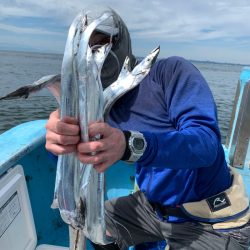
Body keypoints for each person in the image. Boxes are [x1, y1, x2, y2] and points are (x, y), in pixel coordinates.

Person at [45, 7, 250, 250]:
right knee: (96, 225)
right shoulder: (94, 103)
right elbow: (75, 163)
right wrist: (60, 139)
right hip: (150, 207)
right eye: (84, 50)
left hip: (208, 217)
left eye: (101, 45)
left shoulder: (170, 73)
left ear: (121, 43)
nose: (92, 57)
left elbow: (205, 144)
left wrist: (130, 144)